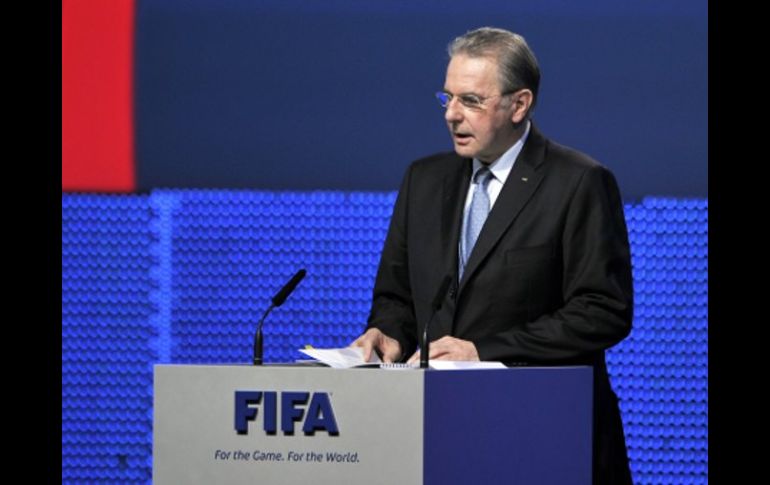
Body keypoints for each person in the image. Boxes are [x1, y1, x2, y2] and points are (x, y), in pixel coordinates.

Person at [351, 27, 634, 484]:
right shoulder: (423, 180)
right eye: (447, 99)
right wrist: (387, 334)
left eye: (471, 101)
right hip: (434, 436)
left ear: (519, 105)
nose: (452, 115)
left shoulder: (578, 182)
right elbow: (397, 296)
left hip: (544, 435)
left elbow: (602, 312)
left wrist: (483, 352)